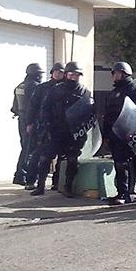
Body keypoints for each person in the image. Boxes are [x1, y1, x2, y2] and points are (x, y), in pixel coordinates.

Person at [32, 61, 93, 196]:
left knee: (71, 160)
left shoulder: (84, 92)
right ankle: (40, 186)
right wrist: (45, 125)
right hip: (55, 130)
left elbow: (90, 112)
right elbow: (45, 108)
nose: (73, 77)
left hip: (72, 133)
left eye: (76, 75)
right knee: (45, 158)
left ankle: (67, 187)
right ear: (66, 74)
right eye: (71, 74)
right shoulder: (56, 89)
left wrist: (82, 129)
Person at [101, 61, 136, 206]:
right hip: (114, 135)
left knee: (124, 164)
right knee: (118, 164)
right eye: (113, 73)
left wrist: (132, 132)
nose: (114, 76)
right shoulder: (113, 93)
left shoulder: (134, 90)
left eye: (117, 73)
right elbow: (108, 116)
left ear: (124, 73)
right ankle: (121, 192)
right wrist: (106, 135)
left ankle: (126, 194)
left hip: (127, 134)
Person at [25, 63, 65, 190]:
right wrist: (30, 123)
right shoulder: (43, 88)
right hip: (44, 127)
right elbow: (33, 106)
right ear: (52, 73)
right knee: (38, 155)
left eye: (61, 72)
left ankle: (57, 182)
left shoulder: (68, 88)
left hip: (62, 127)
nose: (58, 74)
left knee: (62, 157)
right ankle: (31, 181)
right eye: (56, 72)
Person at [11, 63, 44, 185]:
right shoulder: (35, 87)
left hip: (21, 120)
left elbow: (14, 107)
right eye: (40, 74)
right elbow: (35, 106)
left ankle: (19, 174)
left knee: (25, 147)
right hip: (31, 122)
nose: (41, 76)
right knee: (30, 149)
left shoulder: (20, 86)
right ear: (35, 74)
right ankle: (22, 175)